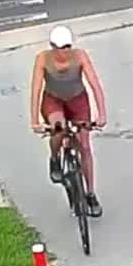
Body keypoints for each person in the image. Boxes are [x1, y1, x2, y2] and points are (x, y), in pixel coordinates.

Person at [29, 25, 108, 217]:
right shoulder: (43, 59)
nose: (63, 52)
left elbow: (95, 84)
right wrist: (34, 120)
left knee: (85, 146)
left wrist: (102, 114)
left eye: (66, 47)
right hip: (53, 99)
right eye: (58, 48)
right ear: (52, 47)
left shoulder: (79, 56)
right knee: (58, 126)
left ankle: (90, 193)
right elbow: (36, 89)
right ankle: (55, 157)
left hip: (77, 99)